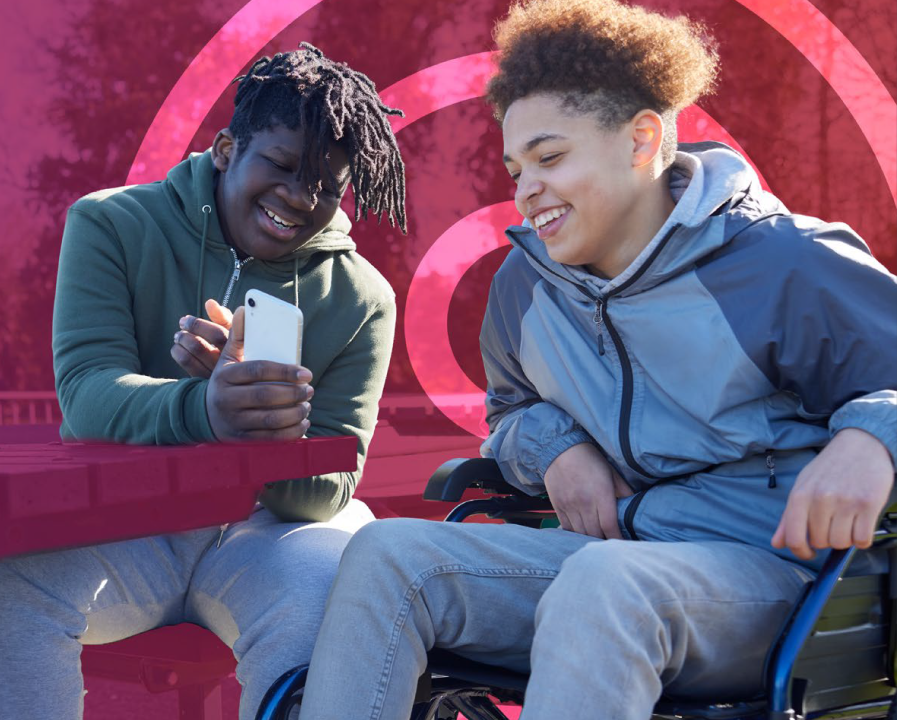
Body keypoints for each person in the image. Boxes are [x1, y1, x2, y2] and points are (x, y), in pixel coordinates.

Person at [297, 1, 897, 718]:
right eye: (516, 168)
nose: (526, 190)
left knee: (606, 585)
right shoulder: (523, 289)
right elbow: (512, 410)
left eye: (550, 158)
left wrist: (870, 436)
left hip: (773, 579)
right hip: (614, 557)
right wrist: (555, 449)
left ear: (642, 141)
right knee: (385, 554)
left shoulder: (779, 263)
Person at [0, 43, 409, 720]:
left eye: (326, 185)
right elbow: (86, 394)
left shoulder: (361, 297)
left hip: (273, 534)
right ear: (228, 148)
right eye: (283, 167)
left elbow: (329, 492)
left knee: (342, 592)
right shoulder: (112, 224)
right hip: (133, 529)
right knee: (2, 584)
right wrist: (202, 410)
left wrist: (268, 436)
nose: (300, 198)